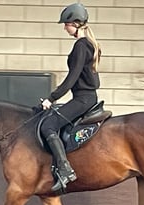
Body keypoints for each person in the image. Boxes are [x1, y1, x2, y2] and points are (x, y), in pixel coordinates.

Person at [41, 3, 101, 192]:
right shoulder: (91, 44)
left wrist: (52, 98)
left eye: (66, 24)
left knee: (48, 125)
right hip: (87, 97)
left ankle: (65, 170)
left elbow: (72, 77)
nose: (64, 27)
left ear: (75, 23)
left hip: (82, 99)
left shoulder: (80, 46)